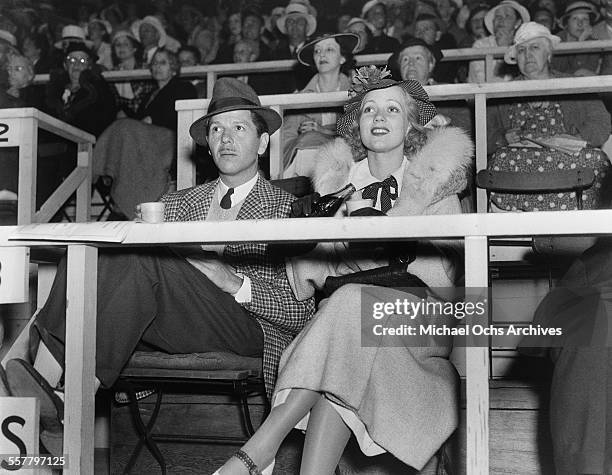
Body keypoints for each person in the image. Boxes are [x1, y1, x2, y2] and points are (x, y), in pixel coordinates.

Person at [4, 77, 315, 457]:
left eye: (239, 127)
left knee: (146, 259)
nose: (226, 138)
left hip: (245, 326)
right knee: (86, 250)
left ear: (263, 143)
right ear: (207, 144)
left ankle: (66, 403)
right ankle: (48, 399)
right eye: (216, 129)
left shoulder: (286, 209)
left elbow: (302, 313)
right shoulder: (179, 201)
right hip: (174, 315)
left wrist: (236, 283)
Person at [214, 66, 473, 475]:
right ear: (357, 125)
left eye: (392, 109)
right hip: (349, 325)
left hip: (418, 317)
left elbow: (447, 274)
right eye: (369, 110)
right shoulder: (337, 187)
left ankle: (261, 447)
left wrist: (390, 234)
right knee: (345, 337)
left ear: (410, 125)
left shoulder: (436, 181)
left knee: (347, 306)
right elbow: (308, 284)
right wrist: (321, 232)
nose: (380, 117)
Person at [487, 22, 611, 212]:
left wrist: (577, 138)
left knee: (596, 160)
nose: (528, 55)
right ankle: (518, 227)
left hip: (567, 157)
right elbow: (483, 131)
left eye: (534, 48)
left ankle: (582, 230)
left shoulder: (572, 84)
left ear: (549, 54)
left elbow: (601, 121)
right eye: (521, 50)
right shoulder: (501, 92)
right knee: (500, 159)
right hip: (519, 161)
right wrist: (502, 138)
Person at [94, 48, 197, 219]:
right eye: (154, 63)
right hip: (144, 140)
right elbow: (139, 118)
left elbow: (181, 117)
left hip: (169, 139)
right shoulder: (149, 93)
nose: (157, 66)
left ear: (173, 67)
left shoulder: (183, 87)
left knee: (125, 128)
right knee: (122, 126)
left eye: (162, 62)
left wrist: (153, 118)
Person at [281, 32, 358, 177]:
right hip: (303, 170)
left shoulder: (356, 95)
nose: (322, 55)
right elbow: (286, 139)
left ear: (342, 58)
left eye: (329, 49)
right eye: (317, 51)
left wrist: (323, 131)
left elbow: (359, 136)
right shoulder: (300, 98)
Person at [467, 0, 530, 83]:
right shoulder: (481, 45)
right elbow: (483, 83)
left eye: (507, 16)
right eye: (498, 16)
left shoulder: (525, 44)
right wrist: (501, 51)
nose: (501, 20)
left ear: (517, 23)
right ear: (493, 22)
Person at [110, 29, 156, 117]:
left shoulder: (146, 69)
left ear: (134, 48)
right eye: (118, 45)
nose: (121, 47)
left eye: (126, 44)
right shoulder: (111, 73)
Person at [272, 3, 317, 92]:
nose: (295, 25)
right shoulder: (275, 54)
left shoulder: (315, 52)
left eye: (300, 22)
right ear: (285, 28)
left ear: (307, 27)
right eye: (290, 22)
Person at [552, 0, 601, 77]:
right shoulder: (556, 41)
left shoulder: (594, 44)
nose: (580, 23)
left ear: (589, 24)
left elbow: (584, 74)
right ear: (567, 23)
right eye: (575, 18)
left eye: (585, 19)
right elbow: (556, 71)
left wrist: (581, 43)